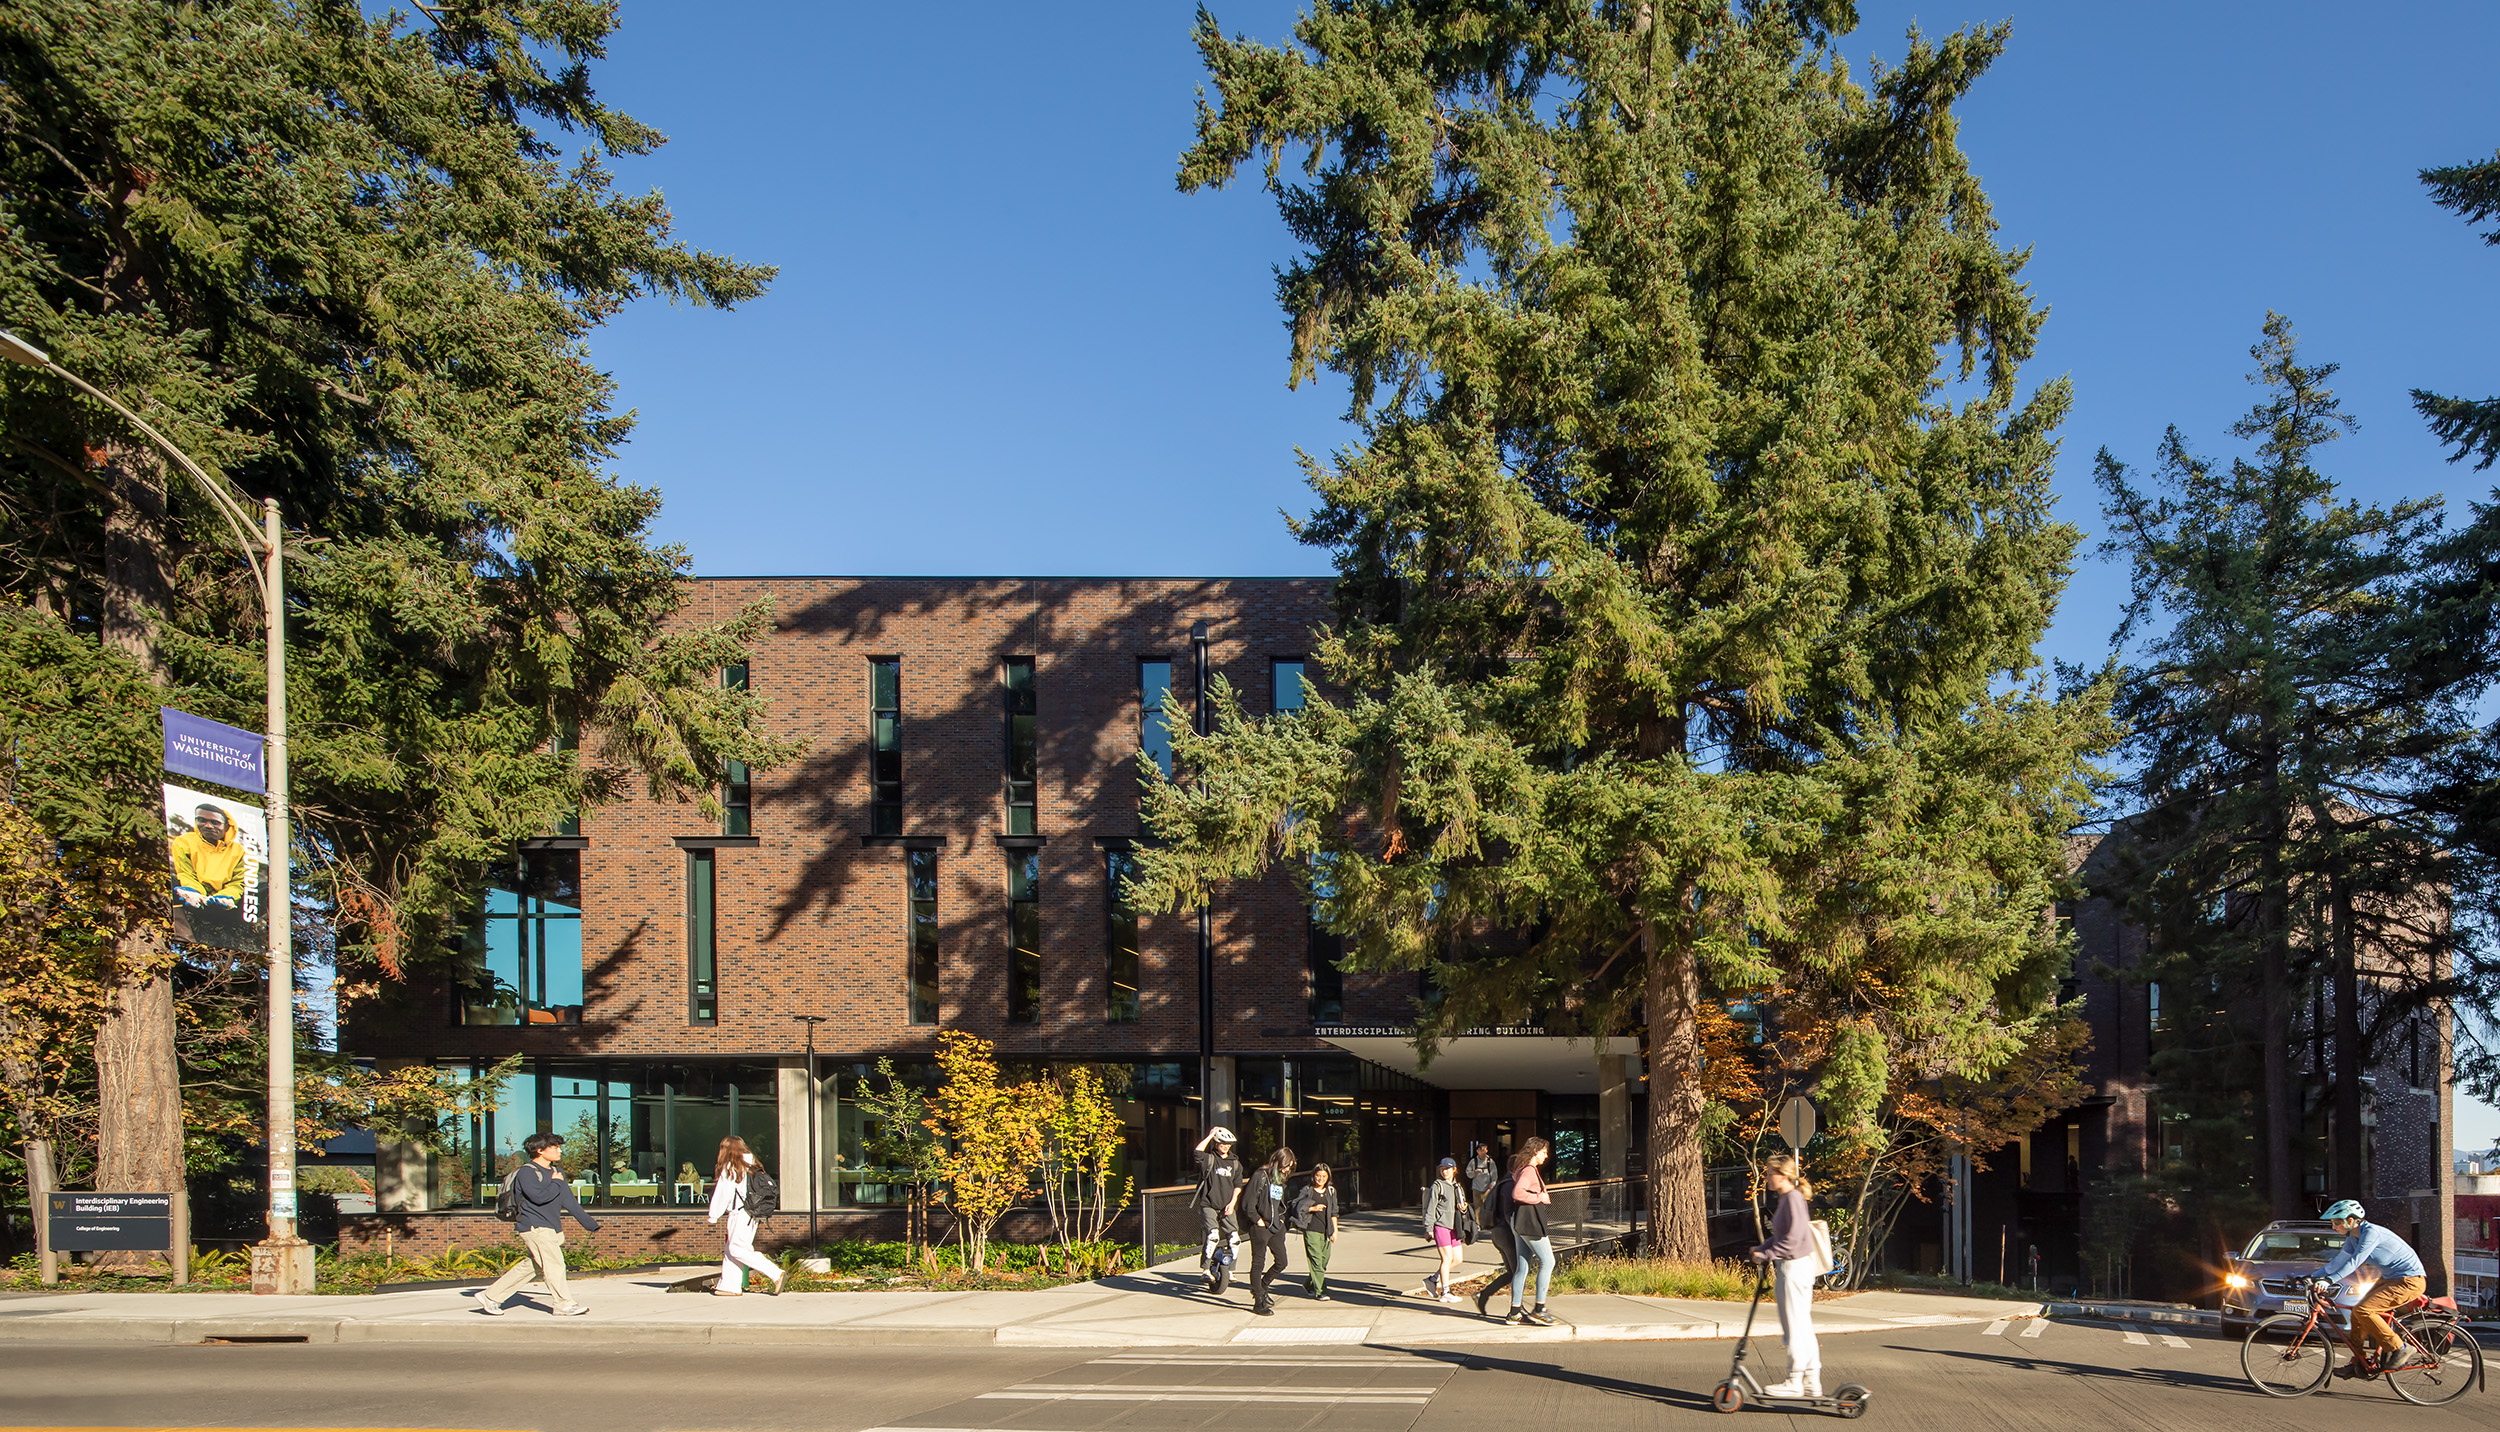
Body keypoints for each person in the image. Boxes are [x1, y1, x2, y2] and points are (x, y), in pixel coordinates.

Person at [474, 1131, 600, 1316]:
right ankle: (564, 1304)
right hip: (534, 1226)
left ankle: (491, 1296)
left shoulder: (557, 1172)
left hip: (552, 1227)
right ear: (540, 1150)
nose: (559, 1151)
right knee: (555, 1265)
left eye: (558, 1147)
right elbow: (539, 1197)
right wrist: (556, 1183)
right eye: (554, 1147)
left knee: (533, 1266)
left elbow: (569, 1201)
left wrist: (590, 1223)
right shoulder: (527, 1172)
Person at [2311, 1197, 2428, 1380]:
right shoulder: (2353, 1238)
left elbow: (2355, 1261)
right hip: (2391, 1279)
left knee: (2364, 1310)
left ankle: (2401, 1348)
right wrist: (2314, 1276)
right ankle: (2359, 1364)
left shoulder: (2371, 1233)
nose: (2333, 1227)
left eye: (2336, 1222)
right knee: (2357, 1314)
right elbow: (2339, 1261)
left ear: (2351, 1220)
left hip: (2410, 1281)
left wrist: (2330, 1281)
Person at [1751, 1152, 1822, 1398]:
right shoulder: (1789, 1198)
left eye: (1770, 1173)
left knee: (1793, 1325)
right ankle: (1812, 1380)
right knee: (1802, 1324)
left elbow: (1792, 1240)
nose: (1767, 1178)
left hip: (1793, 1268)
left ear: (1782, 1175)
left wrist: (1767, 1254)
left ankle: (1795, 1381)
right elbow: (1783, 1236)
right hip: (1796, 1267)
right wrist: (1762, 1248)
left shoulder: (1792, 1198)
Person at [706, 1135, 785, 1297]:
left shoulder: (732, 1167)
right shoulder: (752, 1164)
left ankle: (776, 1273)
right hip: (752, 1213)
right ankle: (729, 1285)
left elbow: (723, 1193)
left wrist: (713, 1215)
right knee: (732, 1249)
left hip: (740, 1213)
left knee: (736, 1249)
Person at [1503, 1136, 1556, 1326]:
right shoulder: (1530, 1171)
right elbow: (1517, 1193)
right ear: (1535, 1151)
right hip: (1530, 1222)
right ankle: (1539, 1310)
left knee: (1522, 1266)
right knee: (1548, 1261)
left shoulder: (1521, 1169)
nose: (1546, 1156)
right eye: (1543, 1152)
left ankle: (1515, 1312)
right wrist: (1540, 1197)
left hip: (1519, 1221)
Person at [1241, 1146, 1298, 1316]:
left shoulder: (1279, 1179)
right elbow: (1247, 1202)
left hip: (1276, 1225)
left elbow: (1280, 1202)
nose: (1287, 1170)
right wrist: (1257, 1220)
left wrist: (1281, 1219)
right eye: (1285, 1165)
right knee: (1258, 1262)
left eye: (1290, 1167)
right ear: (1277, 1161)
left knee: (1282, 1261)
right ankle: (1258, 1301)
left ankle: (1263, 1286)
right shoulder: (1260, 1176)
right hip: (1260, 1225)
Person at [1192, 1125, 1243, 1293]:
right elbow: (1197, 1152)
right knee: (1213, 1235)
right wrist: (1210, 1136)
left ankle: (1230, 1270)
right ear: (1216, 1144)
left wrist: (1233, 1202)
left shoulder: (1235, 1163)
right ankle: (1206, 1269)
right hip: (1209, 1204)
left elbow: (1238, 1185)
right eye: (1222, 1143)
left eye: (1228, 1144)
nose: (1225, 1147)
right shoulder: (1210, 1159)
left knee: (1235, 1239)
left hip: (1227, 1206)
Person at [1474, 1155, 1519, 1318]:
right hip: (1505, 1233)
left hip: (1497, 1233)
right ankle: (1517, 1310)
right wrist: (1518, 1231)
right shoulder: (1510, 1185)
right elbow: (1508, 1213)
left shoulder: (1502, 1182)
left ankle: (1483, 1294)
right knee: (1518, 1273)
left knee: (1512, 1272)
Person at [1421, 1155, 1467, 1303]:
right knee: (1446, 1259)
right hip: (1441, 1226)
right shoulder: (1437, 1185)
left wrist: (1464, 1209)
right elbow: (1431, 1207)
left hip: (1455, 1227)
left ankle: (1433, 1279)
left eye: (1447, 1169)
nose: (1444, 1172)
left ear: (1454, 1170)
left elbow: (1462, 1208)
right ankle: (1445, 1292)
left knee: (1458, 1259)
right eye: (1442, 1169)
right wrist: (1428, 1228)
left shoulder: (1457, 1187)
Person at [1293, 1163, 1342, 1300]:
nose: (1320, 1179)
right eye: (1318, 1176)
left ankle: (1309, 1284)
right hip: (1311, 1229)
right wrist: (1311, 1209)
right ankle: (1321, 1291)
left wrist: (1335, 1230)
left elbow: (1334, 1212)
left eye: (1324, 1176)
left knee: (1323, 1261)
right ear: (1313, 1176)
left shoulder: (1331, 1191)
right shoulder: (1307, 1190)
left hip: (1326, 1230)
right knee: (1316, 1260)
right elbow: (1296, 1206)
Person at [1465, 1141, 1497, 1218]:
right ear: (1477, 1151)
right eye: (1481, 1150)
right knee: (1477, 1207)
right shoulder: (1473, 1162)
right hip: (1476, 1188)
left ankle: (1486, 1222)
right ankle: (1478, 1223)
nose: (1483, 1152)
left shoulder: (1490, 1162)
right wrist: (1474, 1173)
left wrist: (1492, 1184)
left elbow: (1494, 1174)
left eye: (1485, 1150)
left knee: (1487, 1206)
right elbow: (1468, 1173)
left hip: (1487, 1188)